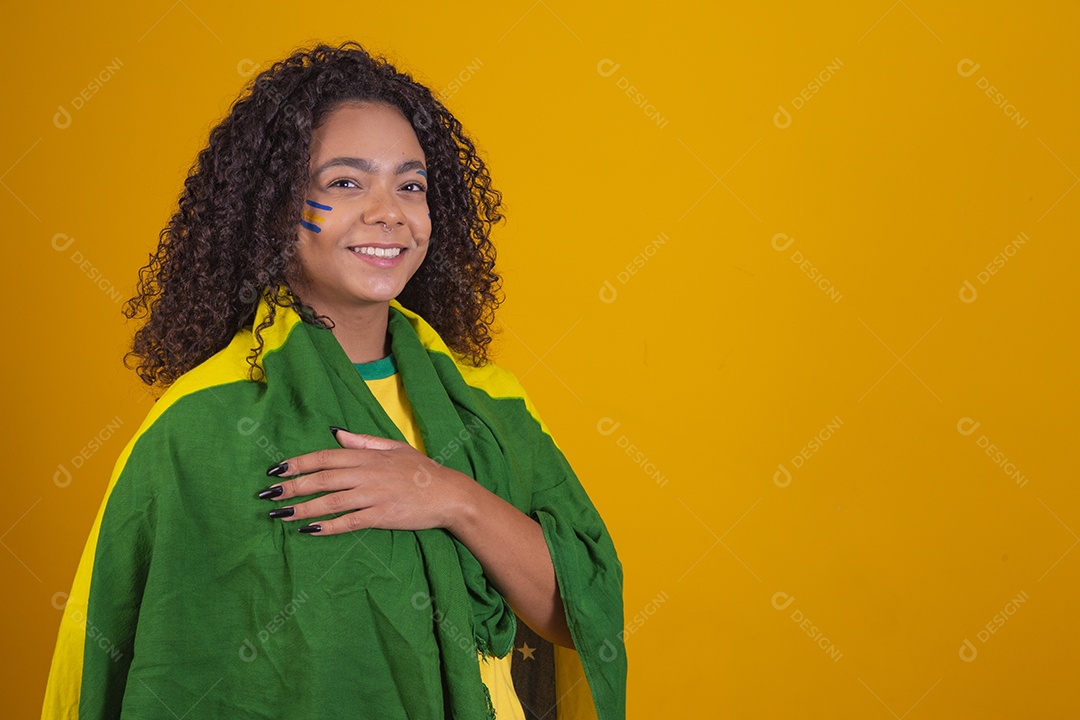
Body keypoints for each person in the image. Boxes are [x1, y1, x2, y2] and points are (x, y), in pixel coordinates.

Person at [41, 41, 625, 719]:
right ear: (273, 205)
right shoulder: (200, 423)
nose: (389, 212)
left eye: (411, 185)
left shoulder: (488, 401)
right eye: (345, 183)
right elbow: (110, 648)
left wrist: (449, 495)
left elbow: (578, 609)